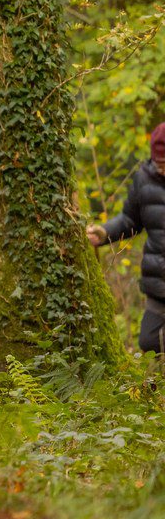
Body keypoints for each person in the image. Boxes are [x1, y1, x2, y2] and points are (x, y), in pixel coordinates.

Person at [87, 120, 165, 359]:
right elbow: (130, 221)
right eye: (159, 163)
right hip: (158, 280)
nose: (162, 169)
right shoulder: (144, 178)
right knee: (150, 341)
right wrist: (104, 233)